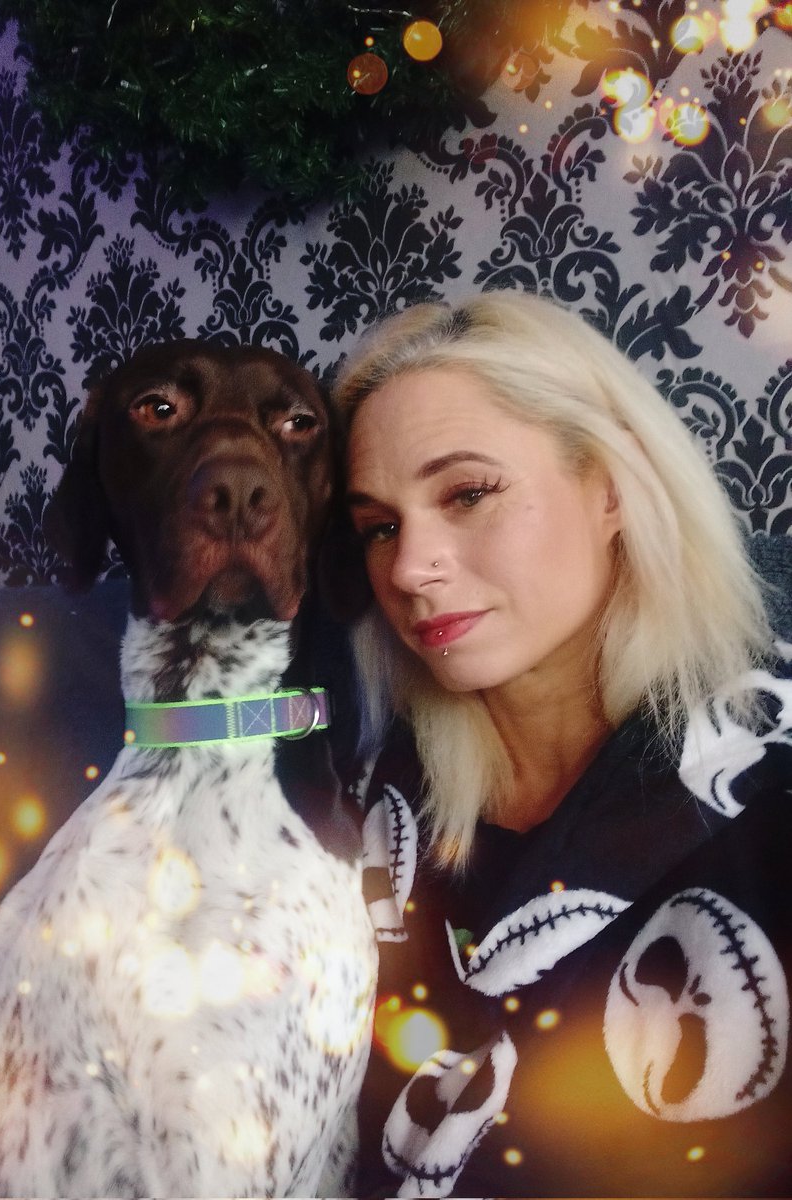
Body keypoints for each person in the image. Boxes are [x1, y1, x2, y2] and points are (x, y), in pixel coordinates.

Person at [330, 290, 792, 1198]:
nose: (409, 567)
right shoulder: (382, 808)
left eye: (468, 493)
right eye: (378, 527)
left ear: (611, 486)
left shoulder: (767, 803)